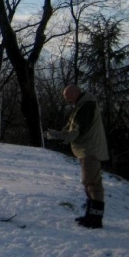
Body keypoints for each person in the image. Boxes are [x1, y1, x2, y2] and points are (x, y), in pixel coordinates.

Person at [45, 84, 109, 229]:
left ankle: (95, 218)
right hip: (86, 150)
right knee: (88, 182)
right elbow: (70, 126)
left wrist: (58, 135)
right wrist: (59, 133)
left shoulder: (86, 106)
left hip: (90, 150)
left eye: (68, 97)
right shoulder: (81, 105)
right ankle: (90, 215)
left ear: (75, 93)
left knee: (92, 183)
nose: (67, 100)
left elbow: (76, 131)